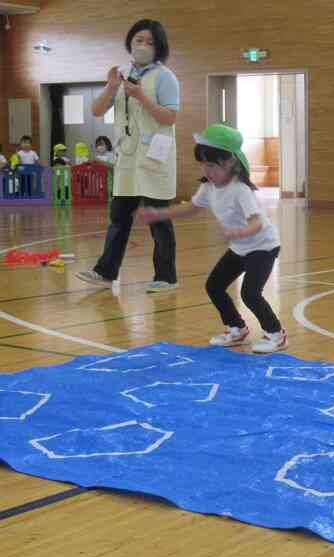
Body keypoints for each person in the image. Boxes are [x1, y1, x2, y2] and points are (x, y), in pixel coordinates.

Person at [140, 124, 288, 353]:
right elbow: (191, 208)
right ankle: (236, 328)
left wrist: (239, 232)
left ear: (230, 162)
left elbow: (257, 223)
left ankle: (276, 334)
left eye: (212, 165)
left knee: (250, 293)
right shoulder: (209, 188)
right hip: (240, 248)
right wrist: (159, 213)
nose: (207, 171)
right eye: (203, 165)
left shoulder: (240, 190)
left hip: (263, 247)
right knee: (214, 286)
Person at [75, 19, 180, 292]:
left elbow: (170, 117)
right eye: (138, 40)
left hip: (154, 157)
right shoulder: (121, 73)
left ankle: (166, 277)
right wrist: (111, 87)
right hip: (128, 158)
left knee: (158, 220)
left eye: (149, 42)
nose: (143, 46)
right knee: (119, 217)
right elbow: (97, 111)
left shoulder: (165, 77)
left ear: (159, 47)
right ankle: (105, 272)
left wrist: (142, 97)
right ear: (130, 43)